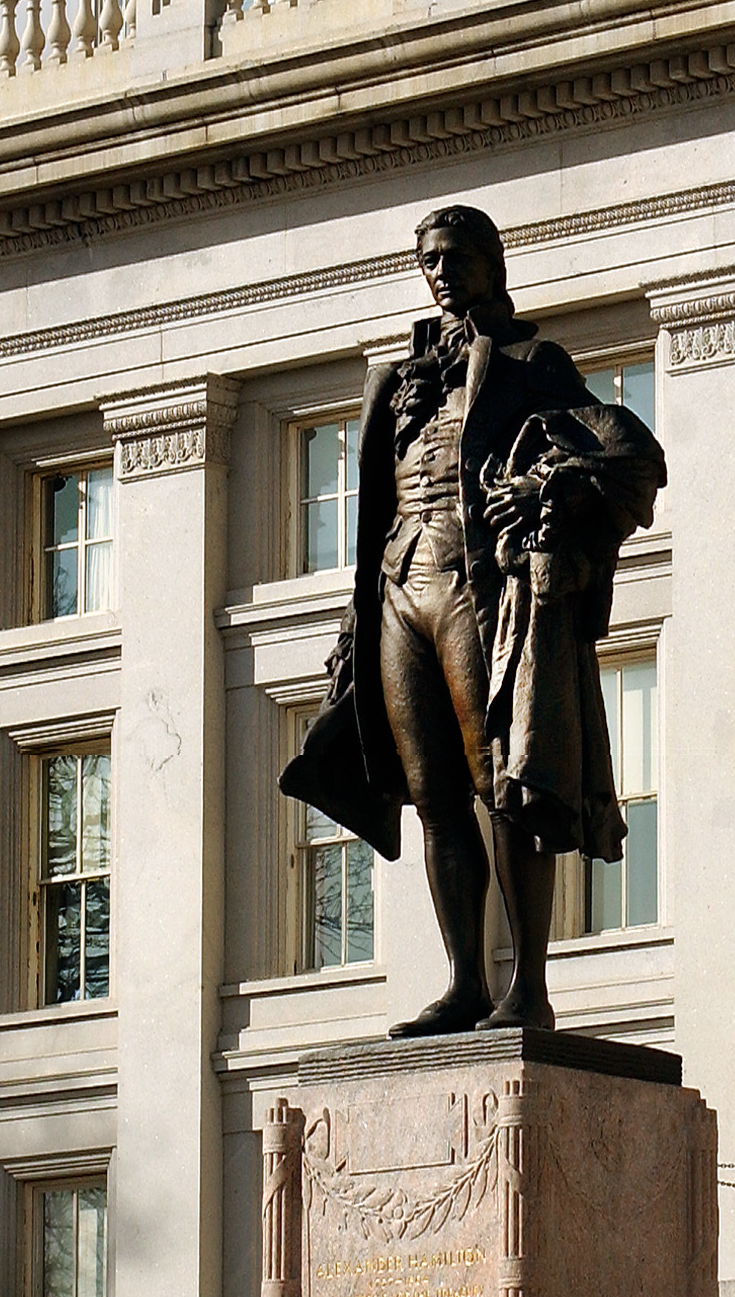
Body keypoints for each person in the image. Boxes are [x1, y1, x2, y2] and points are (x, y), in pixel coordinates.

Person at [280, 205, 667, 1036]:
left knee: (506, 782)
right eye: (429, 260)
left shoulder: (533, 362)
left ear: (493, 262)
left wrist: (548, 484)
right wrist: (355, 626)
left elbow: (633, 452)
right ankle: (462, 983)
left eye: (456, 256)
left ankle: (527, 985)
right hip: (398, 585)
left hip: (476, 580)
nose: (442, 272)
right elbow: (374, 511)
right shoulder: (394, 381)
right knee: (433, 797)